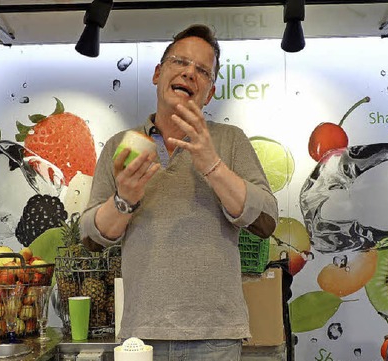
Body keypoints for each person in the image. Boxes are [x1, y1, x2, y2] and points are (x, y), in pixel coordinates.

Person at [80, 24, 278, 361]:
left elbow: (266, 220)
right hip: (140, 337)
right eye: (179, 63)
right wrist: (124, 199)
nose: (189, 73)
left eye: (202, 70)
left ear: (210, 92)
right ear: (158, 74)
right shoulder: (121, 146)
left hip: (216, 337)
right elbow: (90, 237)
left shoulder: (230, 141)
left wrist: (211, 163)